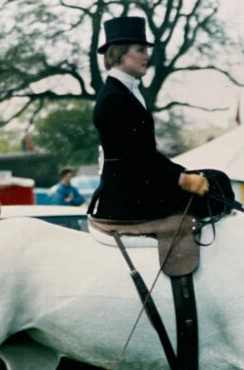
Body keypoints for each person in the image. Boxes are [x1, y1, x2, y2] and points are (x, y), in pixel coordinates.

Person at [89, 16, 234, 221]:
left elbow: (146, 154)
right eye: (140, 50)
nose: (147, 56)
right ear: (119, 52)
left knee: (217, 180)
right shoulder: (113, 98)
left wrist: (180, 173)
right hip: (127, 196)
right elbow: (136, 158)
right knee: (216, 185)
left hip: (139, 186)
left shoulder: (126, 91)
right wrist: (182, 179)